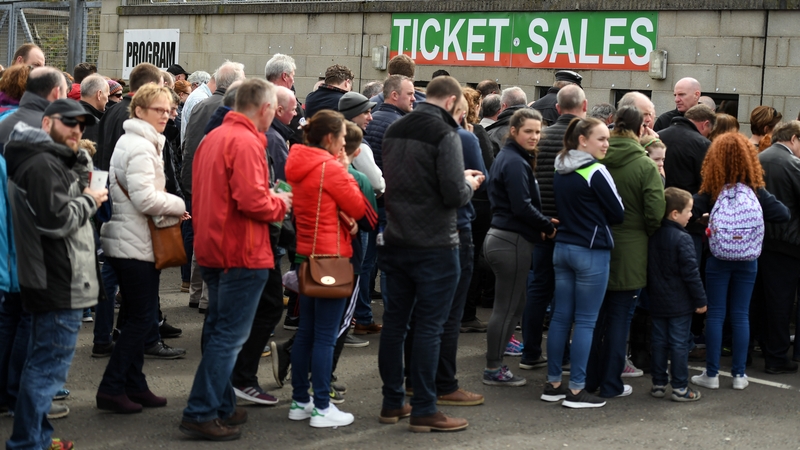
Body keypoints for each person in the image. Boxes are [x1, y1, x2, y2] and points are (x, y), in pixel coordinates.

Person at [180, 79, 290, 440]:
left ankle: (221, 404)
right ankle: (201, 411)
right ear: (265, 108)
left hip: (214, 247)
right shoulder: (244, 141)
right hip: (240, 250)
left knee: (219, 332)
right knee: (228, 337)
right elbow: (253, 201)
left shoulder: (215, 137)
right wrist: (281, 203)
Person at [378, 76, 480, 432]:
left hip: (396, 238)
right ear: (452, 101)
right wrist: (469, 183)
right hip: (435, 243)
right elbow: (453, 194)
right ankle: (424, 407)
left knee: (395, 324)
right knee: (430, 328)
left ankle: (393, 402)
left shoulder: (394, 129)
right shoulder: (444, 134)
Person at [5, 99, 104, 450]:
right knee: (46, 370)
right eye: (69, 123)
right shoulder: (42, 164)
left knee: (41, 366)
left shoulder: (44, 159)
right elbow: (56, 220)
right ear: (47, 124)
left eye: (81, 125)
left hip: (48, 275)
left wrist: (78, 170)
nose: (77, 129)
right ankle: (28, 442)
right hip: (56, 278)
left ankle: (34, 438)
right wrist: (91, 199)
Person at [96, 83, 188, 415]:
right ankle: (111, 387)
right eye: (159, 110)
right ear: (139, 111)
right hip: (133, 244)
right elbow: (145, 198)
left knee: (136, 317)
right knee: (139, 320)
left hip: (131, 241)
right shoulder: (139, 146)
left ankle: (134, 385)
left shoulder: (137, 141)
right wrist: (178, 203)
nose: (166, 115)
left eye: (169, 110)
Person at [284, 110, 366, 428]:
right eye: (343, 140)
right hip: (331, 258)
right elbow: (358, 206)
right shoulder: (330, 168)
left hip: (307, 255)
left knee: (307, 332)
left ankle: (300, 400)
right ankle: (321, 406)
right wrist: (344, 169)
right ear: (330, 139)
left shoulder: (299, 162)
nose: (344, 146)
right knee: (325, 337)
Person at [691, 132, 789, 390]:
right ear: (749, 159)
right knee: (741, 314)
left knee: (716, 315)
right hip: (748, 259)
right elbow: (783, 214)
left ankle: (711, 375)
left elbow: (688, 212)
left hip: (718, 258)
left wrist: (705, 220)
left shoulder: (712, 191)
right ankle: (739, 376)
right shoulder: (756, 191)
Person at [541, 117, 624, 408]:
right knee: (586, 322)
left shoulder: (560, 165)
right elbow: (618, 212)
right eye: (600, 139)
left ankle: (552, 384)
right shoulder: (595, 170)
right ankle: (576, 390)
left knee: (561, 318)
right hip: (590, 251)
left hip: (562, 247)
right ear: (582, 140)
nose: (606, 144)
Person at [586, 106, 665, 399]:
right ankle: (611, 383)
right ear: (641, 129)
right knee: (620, 319)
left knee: (592, 319)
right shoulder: (644, 166)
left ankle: (588, 379)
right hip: (631, 250)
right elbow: (656, 211)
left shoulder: (597, 156)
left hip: (594, 244)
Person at [483, 107, 555, 389]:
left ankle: (496, 362)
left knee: (516, 304)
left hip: (509, 239)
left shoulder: (513, 157)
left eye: (538, 132)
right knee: (506, 307)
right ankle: (493, 367)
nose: (535, 137)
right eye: (529, 131)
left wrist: (543, 220)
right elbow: (520, 206)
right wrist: (547, 225)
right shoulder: (513, 161)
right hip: (509, 241)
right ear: (513, 131)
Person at [519, 84, 586, 371]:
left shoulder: (539, 138)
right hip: (572, 227)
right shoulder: (584, 140)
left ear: (557, 109)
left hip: (541, 224)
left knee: (538, 289)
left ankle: (530, 351)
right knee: (566, 294)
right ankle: (565, 355)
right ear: (583, 108)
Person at [647, 187, 707, 402]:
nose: (691, 214)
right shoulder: (683, 239)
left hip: (657, 300)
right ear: (675, 213)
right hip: (679, 302)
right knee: (679, 344)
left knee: (659, 342)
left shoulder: (653, 234)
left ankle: (658, 383)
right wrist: (700, 300)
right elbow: (691, 273)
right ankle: (681, 387)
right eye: (688, 210)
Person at [750, 121, 800, 374]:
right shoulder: (792, 164)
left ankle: (752, 350)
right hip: (786, 241)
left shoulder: (760, 157)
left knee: (758, 299)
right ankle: (777, 357)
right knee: (781, 301)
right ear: (793, 139)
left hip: (758, 239)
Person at [0, 67, 68, 148]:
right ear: (56, 92)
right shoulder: (54, 128)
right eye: (65, 92)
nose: (67, 97)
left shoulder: (4, 123)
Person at [79, 74, 109, 144]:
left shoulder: (70, 113)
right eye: (107, 95)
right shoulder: (92, 123)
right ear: (99, 94)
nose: (107, 100)